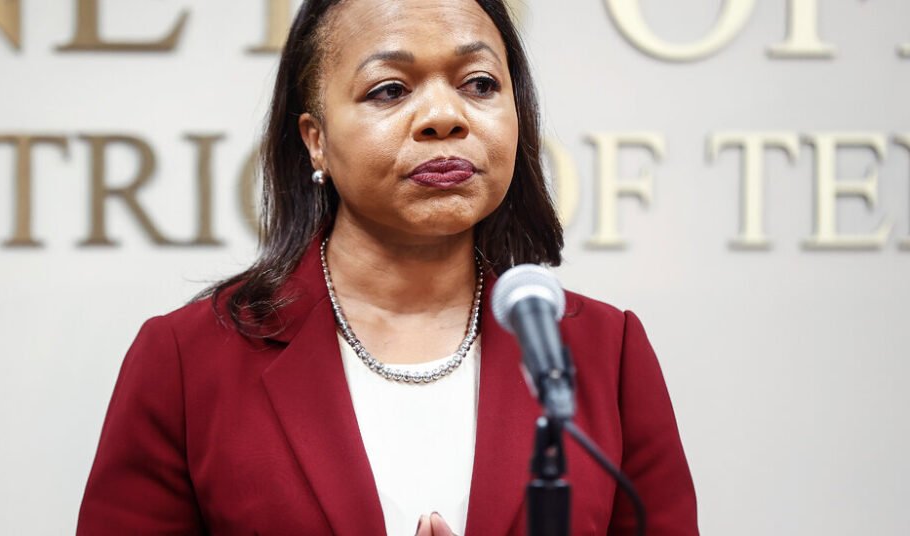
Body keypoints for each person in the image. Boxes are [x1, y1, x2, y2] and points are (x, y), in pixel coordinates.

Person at [76, 0, 698, 534]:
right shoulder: (189, 362)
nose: (444, 116)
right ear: (316, 139)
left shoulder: (605, 353)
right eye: (390, 90)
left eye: (480, 83)